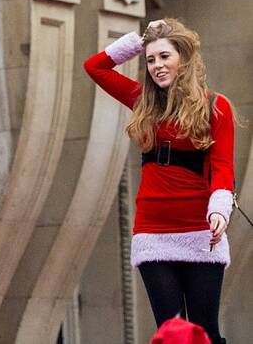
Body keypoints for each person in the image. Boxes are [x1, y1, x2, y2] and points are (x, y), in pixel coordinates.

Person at [84, 18, 237, 344]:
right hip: (153, 232)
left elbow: (223, 168)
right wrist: (143, 41)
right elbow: (95, 67)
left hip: (200, 231)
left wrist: (220, 210)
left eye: (164, 56)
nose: (156, 65)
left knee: (205, 332)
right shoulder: (144, 100)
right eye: (150, 59)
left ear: (183, 57)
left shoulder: (215, 107)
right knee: (171, 335)